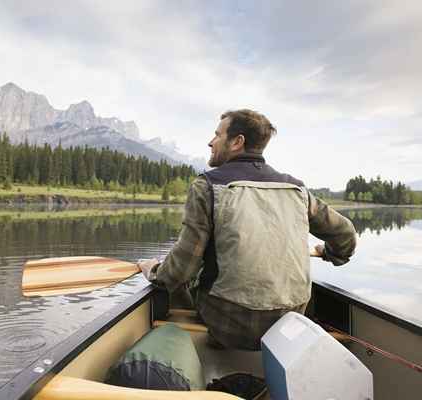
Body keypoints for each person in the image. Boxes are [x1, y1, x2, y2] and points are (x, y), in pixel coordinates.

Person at [139, 109, 357, 351]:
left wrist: (154, 272)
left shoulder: (208, 186)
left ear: (237, 142)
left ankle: (188, 342)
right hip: (291, 317)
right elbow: (345, 234)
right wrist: (329, 253)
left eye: (217, 135)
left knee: (177, 280)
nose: (210, 142)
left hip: (231, 322)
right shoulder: (297, 189)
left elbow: (183, 265)